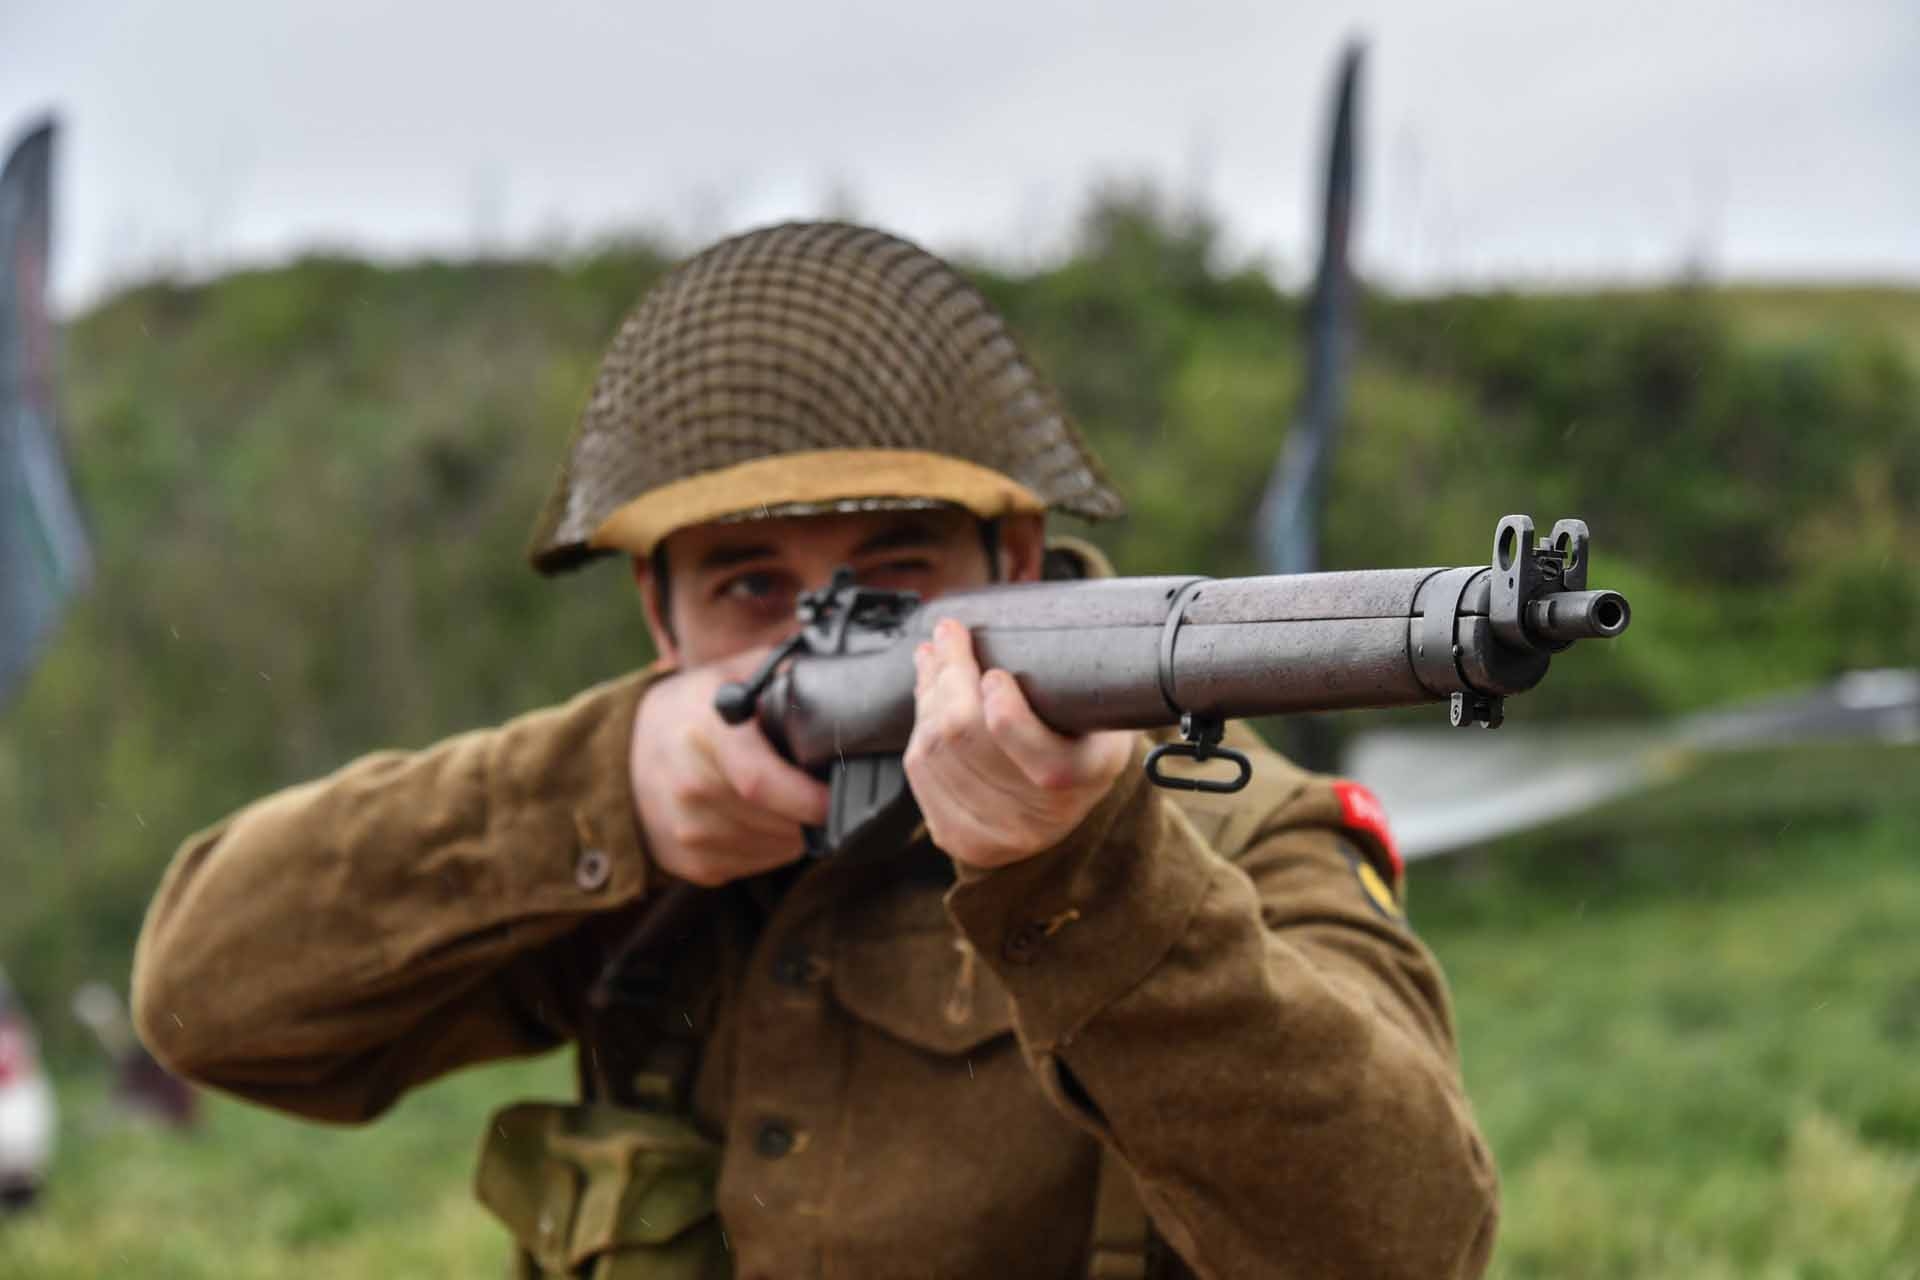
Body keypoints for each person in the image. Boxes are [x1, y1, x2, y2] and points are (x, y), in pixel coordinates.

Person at [132, 221, 1497, 1279]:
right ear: (658, 614)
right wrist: (603, 786)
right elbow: (206, 1003)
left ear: (1016, 559)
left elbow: (1410, 1246)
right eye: (750, 584)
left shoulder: (1233, 832)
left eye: (895, 571)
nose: (825, 637)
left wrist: (1084, 876)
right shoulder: (647, 820)